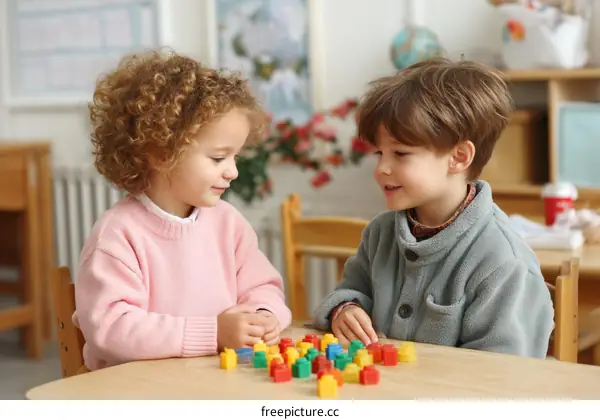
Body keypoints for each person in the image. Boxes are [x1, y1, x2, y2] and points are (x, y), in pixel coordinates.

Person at [312, 58, 554, 359]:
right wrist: (344, 309)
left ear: (459, 157)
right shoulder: (379, 233)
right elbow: (352, 290)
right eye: (379, 153)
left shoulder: (504, 263)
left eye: (400, 154)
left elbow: (502, 381)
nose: (381, 169)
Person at [73, 50, 291, 371]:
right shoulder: (118, 234)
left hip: (210, 382)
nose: (232, 171)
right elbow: (111, 329)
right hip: (136, 391)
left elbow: (263, 287)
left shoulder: (228, 223)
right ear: (161, 154)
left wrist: (264, 315)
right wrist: (213, 333)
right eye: (218, 158)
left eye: (235, 158)